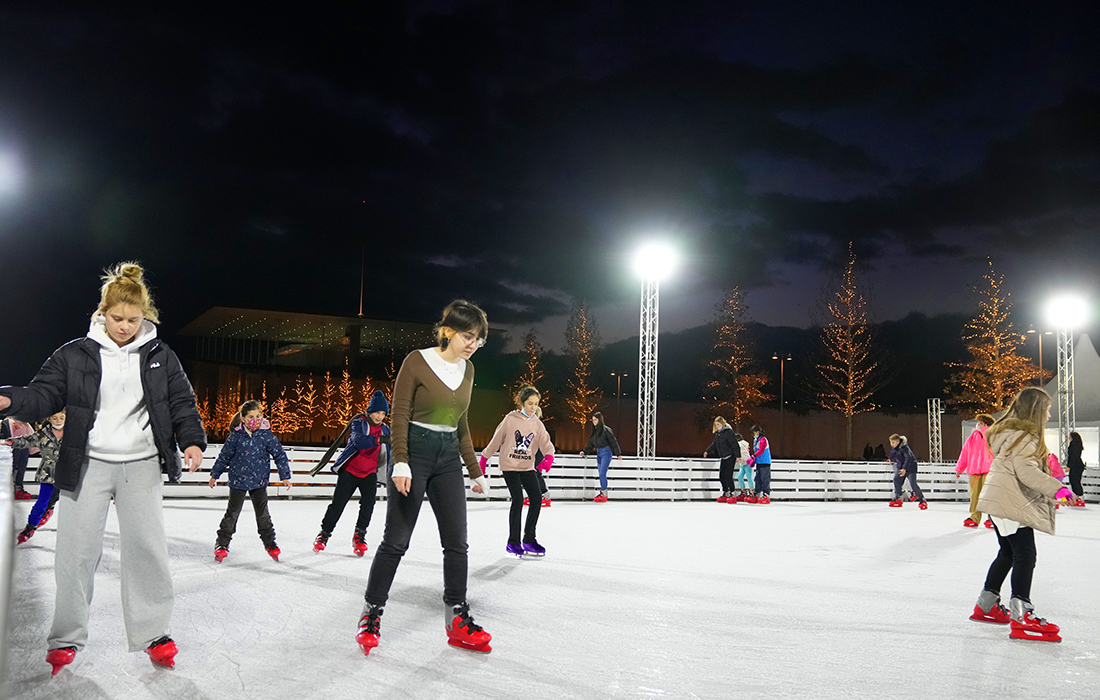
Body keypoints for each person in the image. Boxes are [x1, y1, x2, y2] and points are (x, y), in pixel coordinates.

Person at [0, 262, 206, 674]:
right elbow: (45, 393)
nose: (125, 326)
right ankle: (65, 638)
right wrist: (12, 399)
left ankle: (154, 634)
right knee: (74, 554)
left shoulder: (161, 356)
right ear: (103, 313)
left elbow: (182, 402)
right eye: (117, 318)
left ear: (144, 316)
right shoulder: (75, 354)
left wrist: (193, 440)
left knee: (147, 551)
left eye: (133, 319)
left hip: (141, 464)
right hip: (87, 463)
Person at [356, 300, 492, 656]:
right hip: (414, 451)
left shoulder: (469, 370)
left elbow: (459, 422)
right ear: (448, 331)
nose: (473, 343)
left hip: (447, 456)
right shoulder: (417, 360)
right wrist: (400, 462)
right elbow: (398, 415)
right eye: (467, 335)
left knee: (457, 542)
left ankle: (456, 618)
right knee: (396, 540)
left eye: (479, 339)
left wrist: (474, 470)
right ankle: (372, 611)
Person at [968, 387, 1074, 642]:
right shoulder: (1025, 435)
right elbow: (1026, 471)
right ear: (1036, 410)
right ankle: (1022, 614)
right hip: (1009, 502)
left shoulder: (1011, 433)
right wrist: (1059, 490)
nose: (1048, 415)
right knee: (1025, 554)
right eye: (1047, 410)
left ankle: (986, 605)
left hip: (998, 501)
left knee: (1008, 553)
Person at [207, 400, 292, 562]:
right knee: (232, 513)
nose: (256, 419)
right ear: (243, 419)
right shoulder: (236, 436)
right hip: (238, 481)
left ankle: (270, 543)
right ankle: (222, 544)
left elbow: (279, 455)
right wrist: (215, 474)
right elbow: (224, 456)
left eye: (258, 416)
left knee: (263, 514)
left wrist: (285, 476)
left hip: (259, 482)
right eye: (251, 416)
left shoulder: (266, 435)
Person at [314, 390, 393, 555]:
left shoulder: (386, 429)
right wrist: (378, 440)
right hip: (350, 471)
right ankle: (324, 535)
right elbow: (358, 441)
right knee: (338, 504)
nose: (380, 416)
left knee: (368, 504)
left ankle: (359, 536)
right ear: (370, 411)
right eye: (377, 412)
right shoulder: (359, 422)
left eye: (383, 413)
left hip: (369, 473)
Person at [480, 385, 555, 557]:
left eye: (536, 404)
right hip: (510, 467)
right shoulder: (510, 419)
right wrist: (484, 458)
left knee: (537, 499)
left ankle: (529, 540)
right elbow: (496, 439)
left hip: (527, 467)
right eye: (530, 403)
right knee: (518, 500)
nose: (533, 407)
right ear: (522, 402)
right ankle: (513, 543)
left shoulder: (537, 424)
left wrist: (548, 458)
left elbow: (546, 443)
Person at [12, 411, 66, 543]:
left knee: (73, 503)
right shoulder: (44, 433)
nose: (58, 421)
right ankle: (30, 528)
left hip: (67, 473)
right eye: (55, 418)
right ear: (49, 419)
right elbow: (27, 440)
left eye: (61, 418)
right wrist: (10, 442)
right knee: (41, 502)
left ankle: (51, 509)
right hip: (48, 473)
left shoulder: (73, 433)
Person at [956, 414, 995, 528]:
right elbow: (965, 453)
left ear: (986, 424)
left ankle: (992, 517)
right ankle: (974, 516)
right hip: (974, 470)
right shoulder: (973, 436)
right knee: (975, 495)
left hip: (989, 469)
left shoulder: (993, 435)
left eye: (980, 423)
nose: (977, 425)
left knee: (988, 494)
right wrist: (960, 468)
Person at [580, 411, 622, 502]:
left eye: (595, 420)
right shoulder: (594, 432)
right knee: (600, 474)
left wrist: (618, 453)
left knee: (602, 473)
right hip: (599, 453)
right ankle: (603, 492)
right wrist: (584, 451)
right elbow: (591, 444)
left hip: (606, 452)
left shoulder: (606, 430)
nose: (593, 421)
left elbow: (613, 441)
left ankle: (604, 493)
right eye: (593, 420)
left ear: (600, 420)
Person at [703, 417, 740, 503]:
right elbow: (714, 444)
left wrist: (738, 456)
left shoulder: (728, 432)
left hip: (730, 456)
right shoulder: (718, 434)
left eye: (718, 424)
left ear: (723, 424)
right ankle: (726, 492)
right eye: (716, 425)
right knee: (721, 476)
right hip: (723, 457)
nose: (717, 426)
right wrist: (707, 451)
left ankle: (733, 493)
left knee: (728, 476)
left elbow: (735, 445)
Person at [887, 434, 927, 509]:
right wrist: (890, 459)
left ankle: (922, 500)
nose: (891, 444)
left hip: (910, 467)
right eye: (891, 442)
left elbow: (908, 458)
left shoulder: (904, 448)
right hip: (901, 467)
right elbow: (893, 454)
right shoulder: (894, 448)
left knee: (913, 484)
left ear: (898, 442)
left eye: (893, 442)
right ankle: (898, 498)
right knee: (896, 480)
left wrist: (904, 469)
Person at [747, 425, 772, 504]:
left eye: (753, 433)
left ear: (757, 432)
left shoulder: (763, 439)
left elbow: (761, 450)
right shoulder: (756, 440)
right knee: (757, 479)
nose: (753, 435)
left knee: (765, 479)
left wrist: (754, 456)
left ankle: (766, 494)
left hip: (765, 462)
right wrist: (754, 460)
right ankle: (756, 493)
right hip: (759, 462)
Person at [1066, 431, 1086, 506]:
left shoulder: (1074, 445)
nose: (1068, 438)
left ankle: (1079, 497)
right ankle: (1077, 497)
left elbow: (1073, 457)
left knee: (1075, 481)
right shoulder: (1076, 445)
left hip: (1076, 466)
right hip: (1076, 465)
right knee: (1074, 481)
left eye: (1070, 436)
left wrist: (1069, 466)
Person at [733, 432, 752, 503]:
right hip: (743, 463)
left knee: (749, 477)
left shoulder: (739, 444)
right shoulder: (745, 444)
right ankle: (743, 492)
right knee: (740, 477)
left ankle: (752, 492)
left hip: (747, 462)